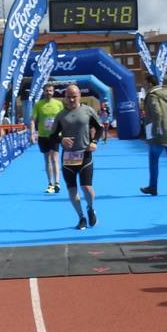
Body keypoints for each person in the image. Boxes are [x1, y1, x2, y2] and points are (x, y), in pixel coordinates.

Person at [47, 84, 104, 229]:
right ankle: (81, 217)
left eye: (74, 96)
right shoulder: (61, 115)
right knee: (72, 190)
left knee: (86, 187)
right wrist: (61, 140)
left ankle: (90, 208)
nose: (71, 100)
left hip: (85, 155)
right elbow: (52, 136)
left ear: (79, 96)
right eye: (68, 97)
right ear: (65, 98)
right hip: (68, 158)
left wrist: (94, 142)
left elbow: (99, 128)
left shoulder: (88, 110)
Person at [32, 83, 65, 194]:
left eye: (50, 91)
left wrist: (64, 132)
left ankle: (57, 183)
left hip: (55, 135)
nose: (48, 93)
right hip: (43, 136)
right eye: (46, 91)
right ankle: (50, 184)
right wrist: (32, 133)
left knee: (54, 158)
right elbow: (33, 120)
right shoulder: (38, 105)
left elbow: (64, 119)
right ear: (43, 91)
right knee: (47, 159)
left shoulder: (59, 104)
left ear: (53, 91)